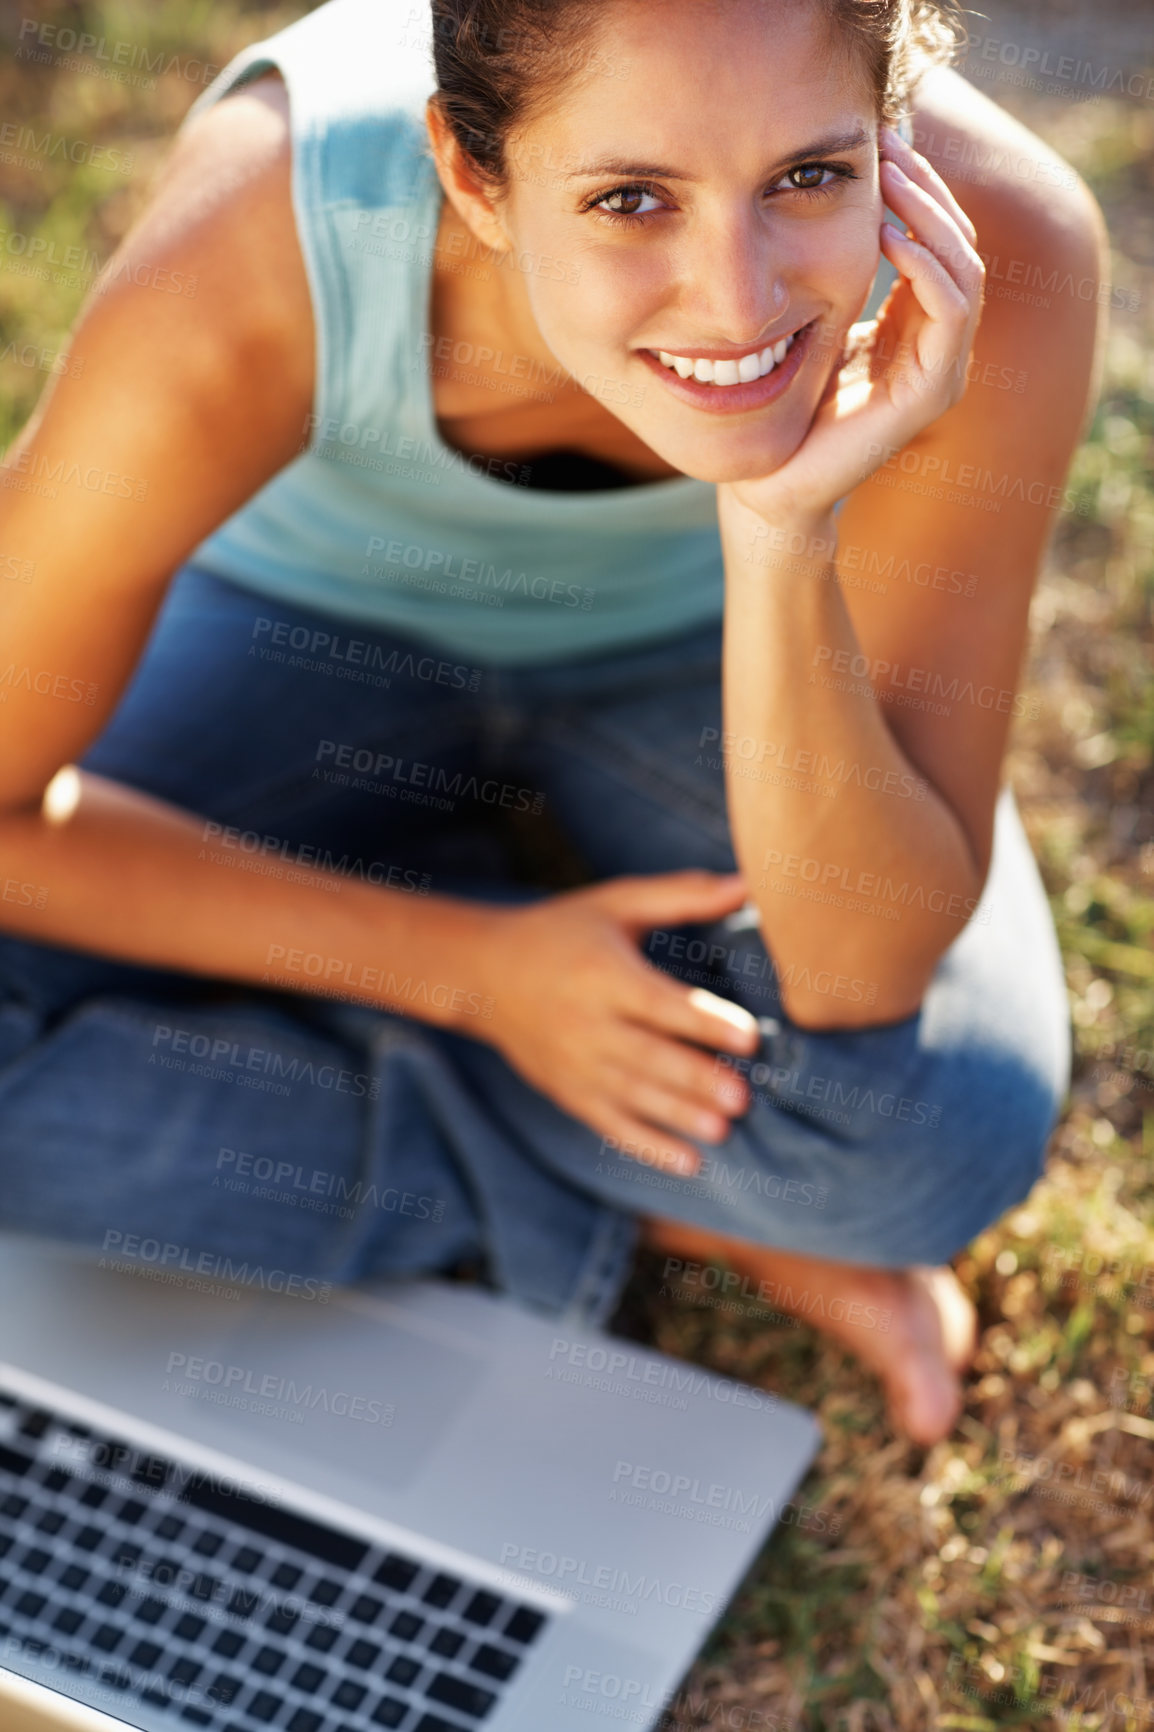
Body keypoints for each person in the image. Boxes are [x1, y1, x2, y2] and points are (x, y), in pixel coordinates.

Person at [0, 0, 1104, 1445]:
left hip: (703, 668)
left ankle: (328, 1011)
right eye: (630, 199)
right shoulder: (271, 225)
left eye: (810, 177)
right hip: (306, 630)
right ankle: (648, 1181)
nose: (734, 298)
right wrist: (470, 971)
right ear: (471, 175)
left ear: (893, 131)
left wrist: (779, 539)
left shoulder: (993, 249)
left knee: (917, 1144)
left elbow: (853, 966)